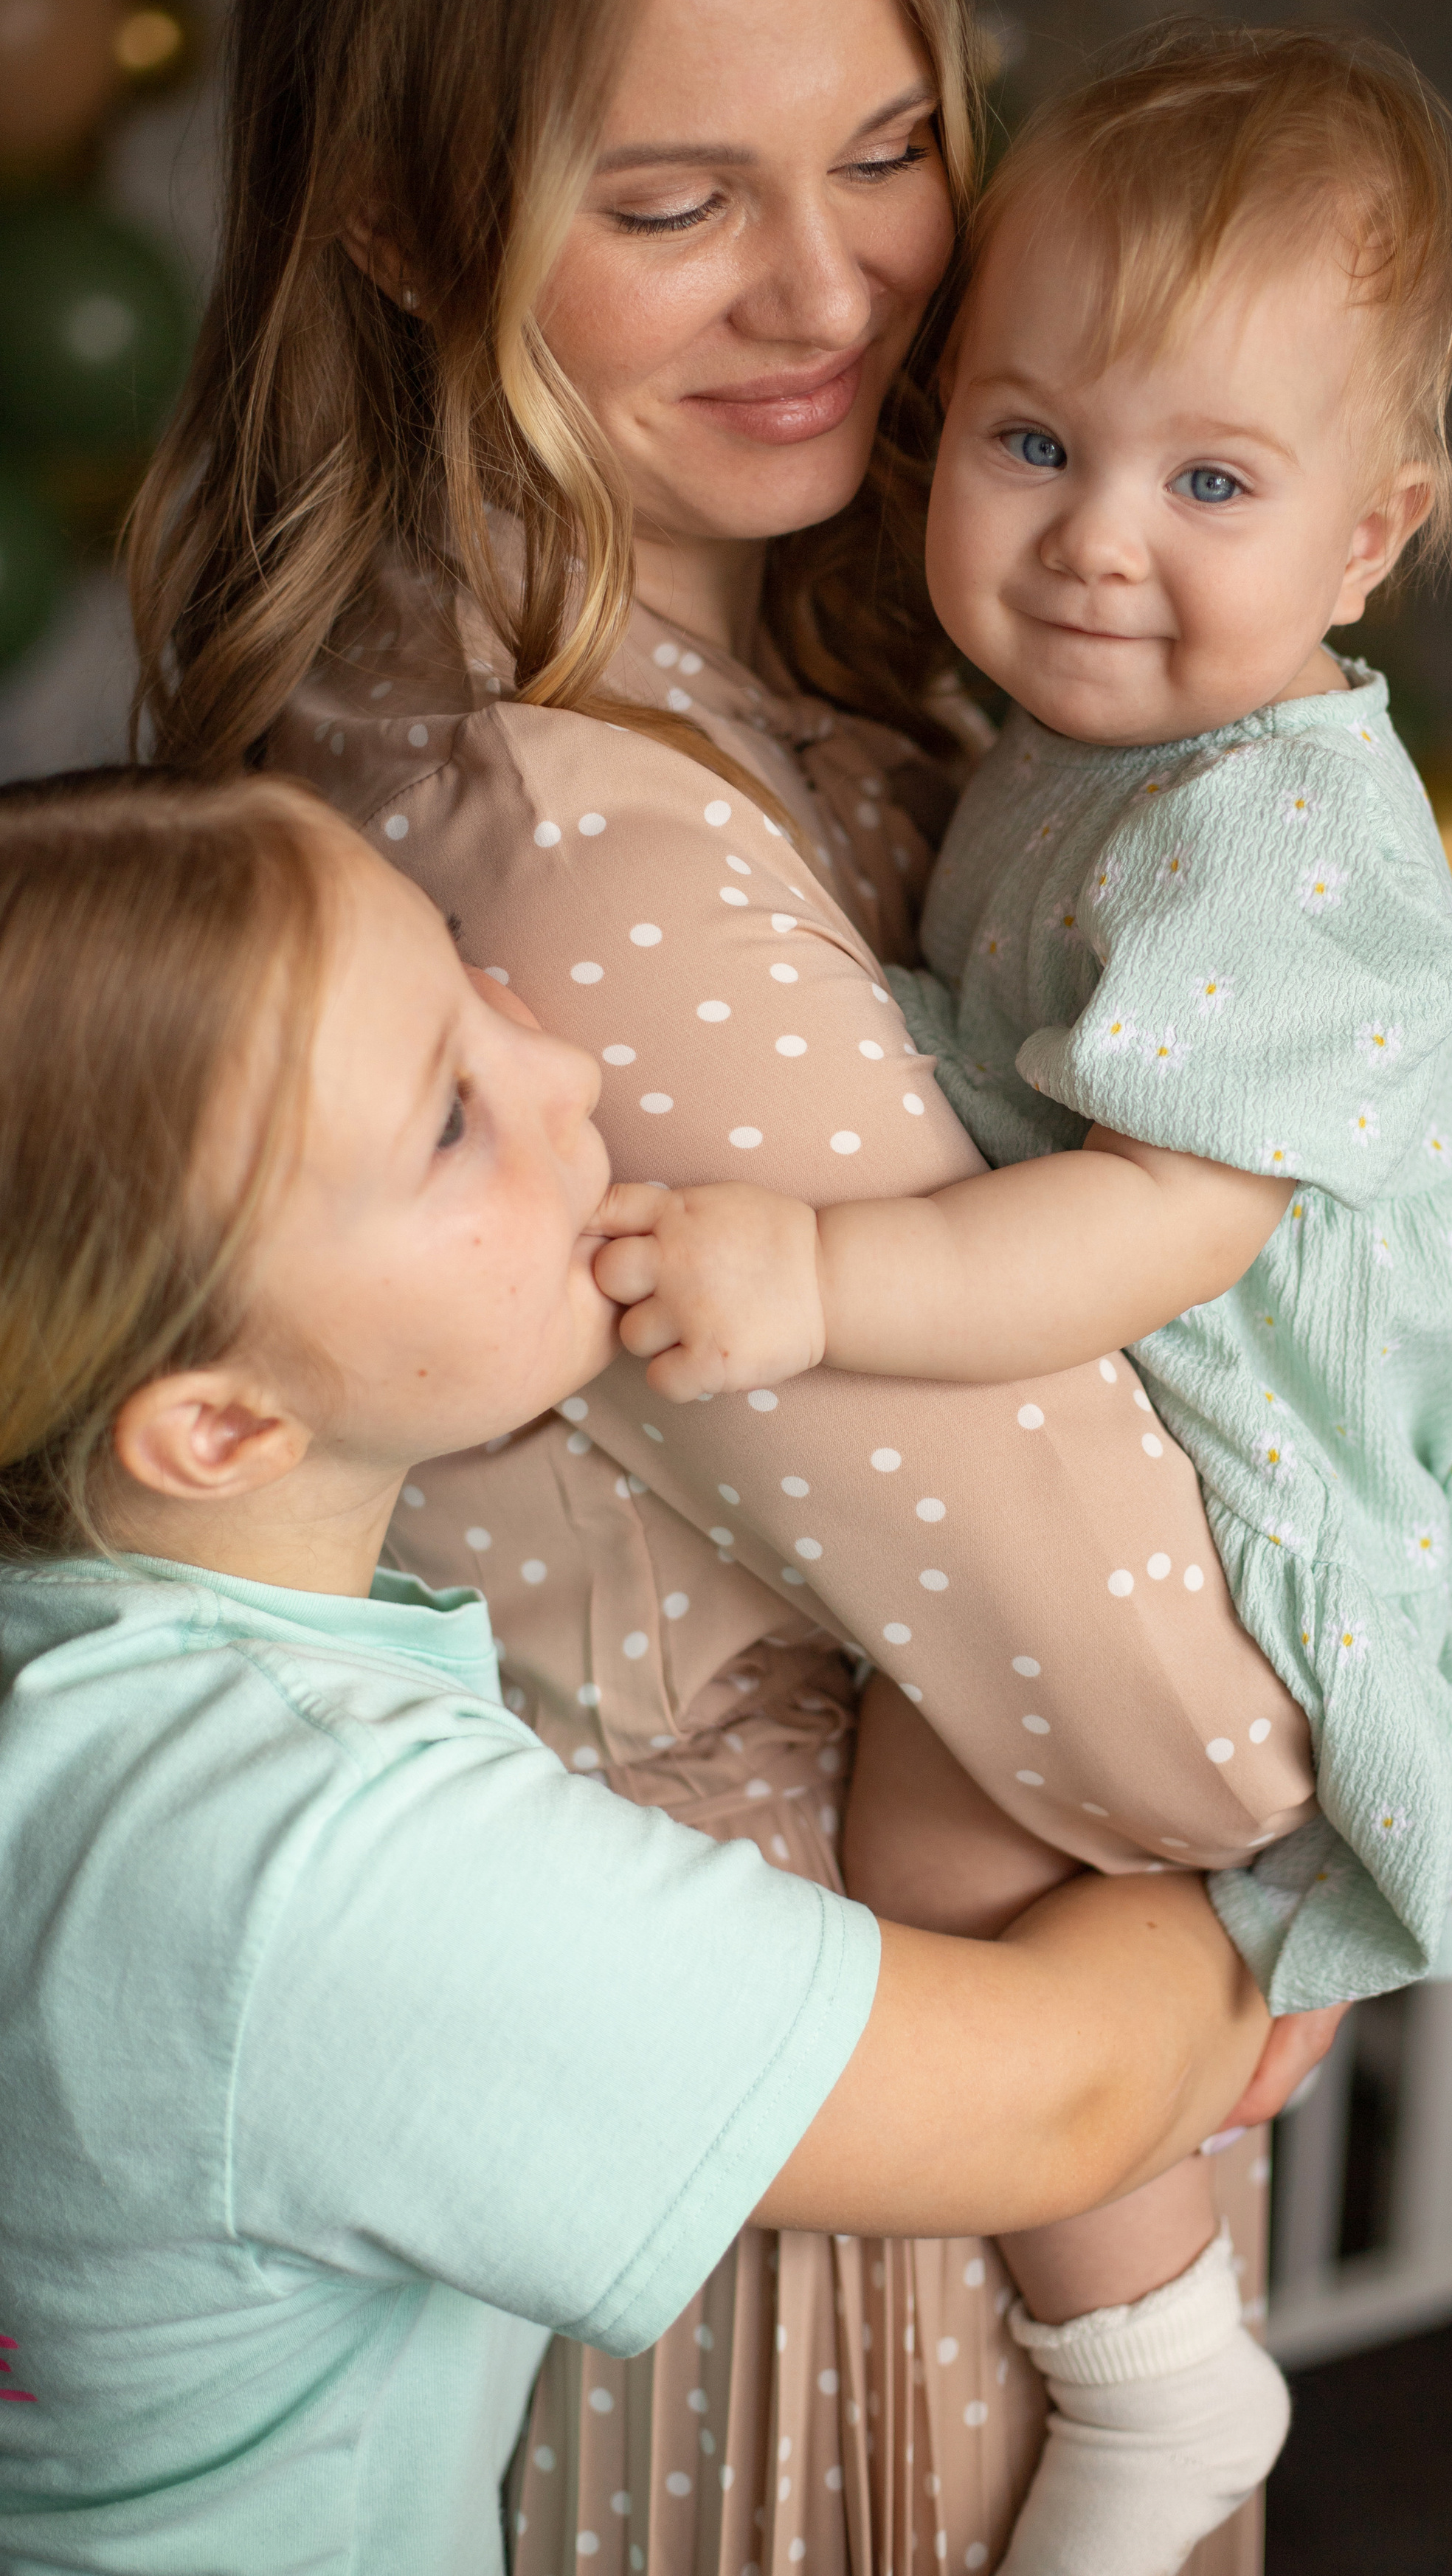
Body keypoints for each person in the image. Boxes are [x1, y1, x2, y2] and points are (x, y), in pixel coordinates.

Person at [125, 0, 1452, 2564]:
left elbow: (1313, 1238)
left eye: (892, 146)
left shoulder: (897, 668)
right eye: (671, 200)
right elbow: (1194, 1711)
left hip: (975, 2107)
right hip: (820, 2212)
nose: (832, 291)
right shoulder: (573, 854)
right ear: (415, 216)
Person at [600, 23, 1452, 2576]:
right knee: (986, 1850)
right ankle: (1240, 2062)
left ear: (1374, 537)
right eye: (1032, 444)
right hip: (1213, 1435)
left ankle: (1144, 2365)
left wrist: (819, 1272)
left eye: (1213, 482)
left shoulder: (1274, 838)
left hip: (1277, 1486)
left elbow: (1159, 1218)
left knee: (930, 1830)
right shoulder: (1086, 737)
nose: (1095, 542)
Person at [0, 768, 1295, 2576]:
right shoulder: (309, 1868)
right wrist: (1291, 1912)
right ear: (218, 1425)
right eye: (448, 1119)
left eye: (466, 968)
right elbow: (1060, 2098)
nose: (571, 1070)